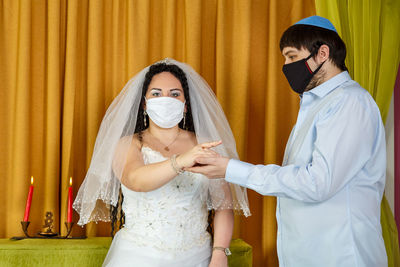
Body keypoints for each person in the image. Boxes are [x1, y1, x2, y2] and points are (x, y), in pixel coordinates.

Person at [187, 16, 388, 266]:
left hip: (341, 254)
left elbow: (317, 182)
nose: (286, 66)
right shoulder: (316, 104)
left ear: (323, 53)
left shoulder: (348, 102)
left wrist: (231, 169)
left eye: (292, 57)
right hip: (310, 254)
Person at [72, 58, 250, 267]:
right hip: (137, 257)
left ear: (185, 106)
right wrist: (182, 161)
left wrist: (219, 253)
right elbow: (135, 179)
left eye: (175, 94)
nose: (166, 99)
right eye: (156, 94)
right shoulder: (128, 144)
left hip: (198, 257)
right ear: (145, 104)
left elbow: (223, 204)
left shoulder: (204, 144)